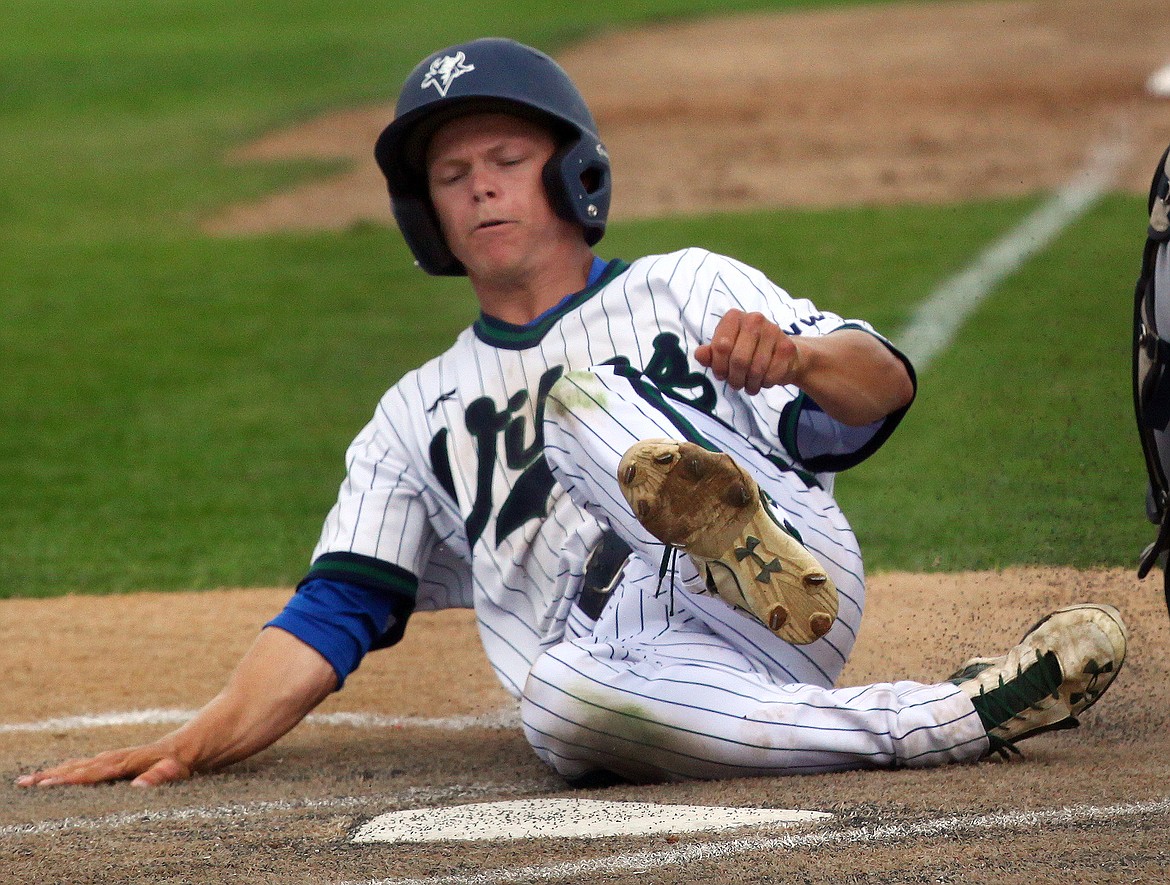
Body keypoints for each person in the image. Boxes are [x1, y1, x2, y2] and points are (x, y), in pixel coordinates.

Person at [17, 37, 1127, 788]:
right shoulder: (413, 418)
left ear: (572, 176)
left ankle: (717, 524)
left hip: (795, 589)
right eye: (454, 175)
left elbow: (881, 387)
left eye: (507, 158)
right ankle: (961, 714)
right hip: (648, 681)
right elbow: (333, 613)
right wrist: (195, 740)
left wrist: (790, 354)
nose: (483, 187)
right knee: (558, 706)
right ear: (427, 216)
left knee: (578, 401)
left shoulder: (683, 286)